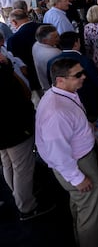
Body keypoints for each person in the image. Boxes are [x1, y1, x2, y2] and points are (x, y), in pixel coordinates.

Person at [35, 58, 98, 247]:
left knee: (80, 204)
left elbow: (71, 128)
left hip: (78, 160)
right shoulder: (56, 111)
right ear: (60, 80)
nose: (84, 77)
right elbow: (57, 152)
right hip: (78, 164)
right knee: (90, 211)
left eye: (83, 72)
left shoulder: (64, 94)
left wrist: (88, 129)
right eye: (78, 75)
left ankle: (79, 236)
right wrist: (77, 178)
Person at [0, 55, 55, 221]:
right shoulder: (3, 76)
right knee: (22, 169)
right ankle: (27, 207)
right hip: (14, 131)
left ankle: (18, 195)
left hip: (6, 133)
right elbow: (20, 96)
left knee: (8, 164)